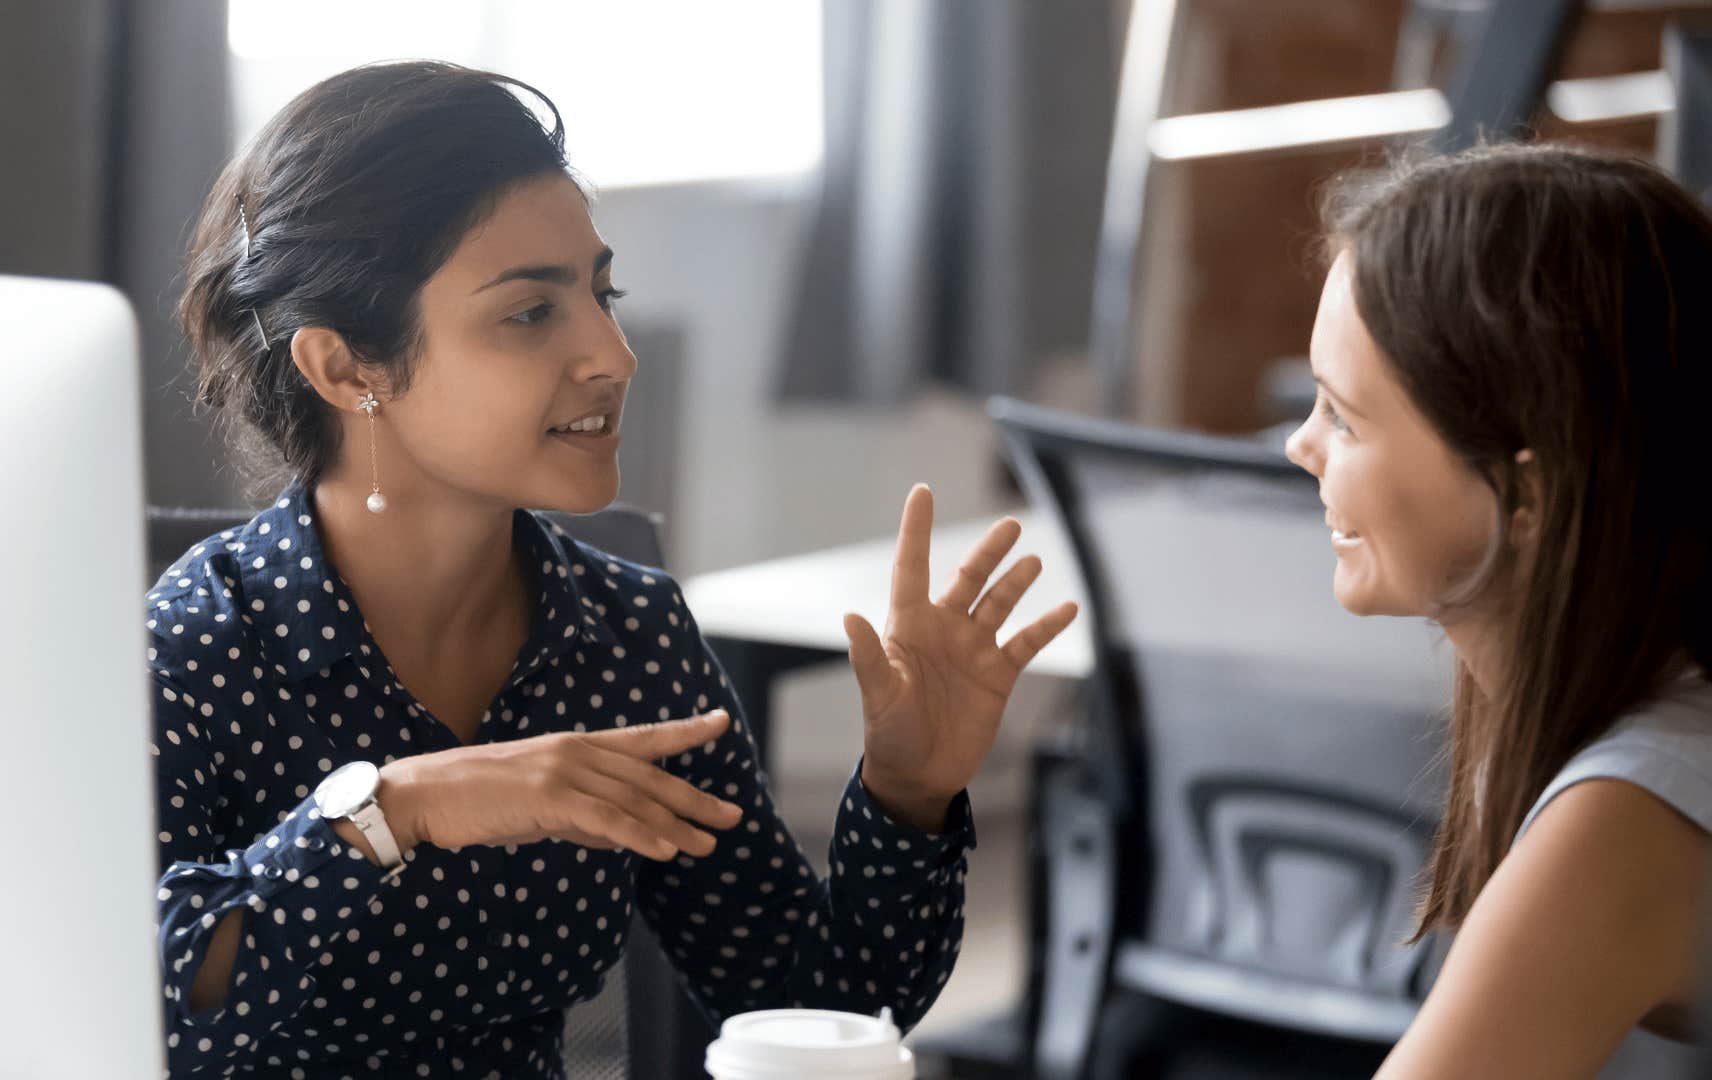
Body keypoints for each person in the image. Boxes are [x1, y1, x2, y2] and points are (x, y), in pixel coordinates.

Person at [147, 60, 1079, 1077]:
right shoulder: (197, 645)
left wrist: (906, 792)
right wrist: (394, 810)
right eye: (530, 313)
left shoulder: (625, 637)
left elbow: (813, 1007)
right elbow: (151, 1002)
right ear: (347, 369)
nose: (613, 352)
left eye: (602, 292)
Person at [1285, 142, 1712, 1077]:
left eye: (1343, 416)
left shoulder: (1625, 812)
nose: (1299, 446)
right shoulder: (1600, 709)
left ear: (1526, 498)